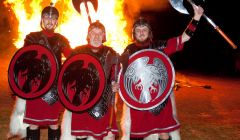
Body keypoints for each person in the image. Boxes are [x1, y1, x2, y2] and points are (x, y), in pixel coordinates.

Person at [119, 3, 204, 140]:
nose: (141, 32)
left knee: (164, 134)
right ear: (134, 33)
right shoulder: (128, 51)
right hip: (139, 100)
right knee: (139, 134)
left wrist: (197, 17)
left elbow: (183, 38)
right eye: (138, 30)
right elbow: (122, 74)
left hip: (158, 98)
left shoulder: (159, 46)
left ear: (149, 33)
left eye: (144, 29)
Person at [8, 3, 72, 140]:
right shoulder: (32, 38)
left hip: (54, 88)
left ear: (57, 21)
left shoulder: (61, 40)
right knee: (33, 124)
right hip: (35, 87)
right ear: (42, 19)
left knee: (54, 123)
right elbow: (22, 61)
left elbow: (72, 59)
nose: (50, 20)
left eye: (53, 18)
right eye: (47, 17)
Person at [60, 21, 119, 140]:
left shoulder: (111, 53)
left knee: (106, 135)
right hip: (82, 98)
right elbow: (68, 74)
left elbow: (114, 74)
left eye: (100, 33)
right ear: (88, 35)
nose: (96, 37)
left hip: (103, 99)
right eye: (93, 33)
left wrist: (114, 84)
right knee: (81, 134)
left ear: (103, 36)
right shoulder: (78, 52)